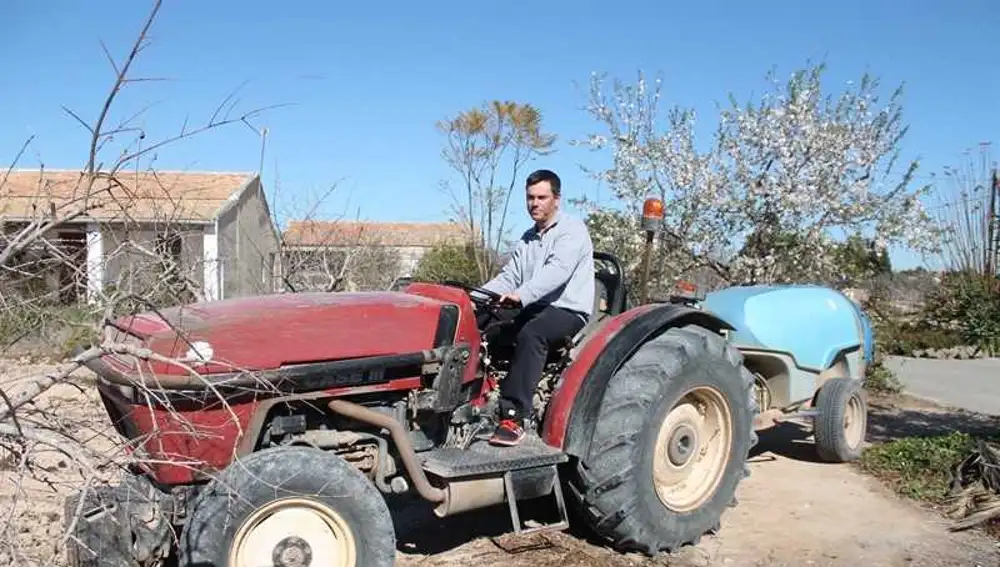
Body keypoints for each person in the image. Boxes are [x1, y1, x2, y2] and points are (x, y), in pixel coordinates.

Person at [477, 169, 595, 446]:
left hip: (567, 308)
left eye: (541, 197)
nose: (534, 203)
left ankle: (514, 417)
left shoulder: (572, 230)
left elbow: (558, 271)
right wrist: (478, 297)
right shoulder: (529, 237)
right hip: (532, 302)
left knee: (532, 333)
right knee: (480, 320)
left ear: (557, 199)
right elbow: (510, 275)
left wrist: (522, 294)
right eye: (530, 197)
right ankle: (474, 394)